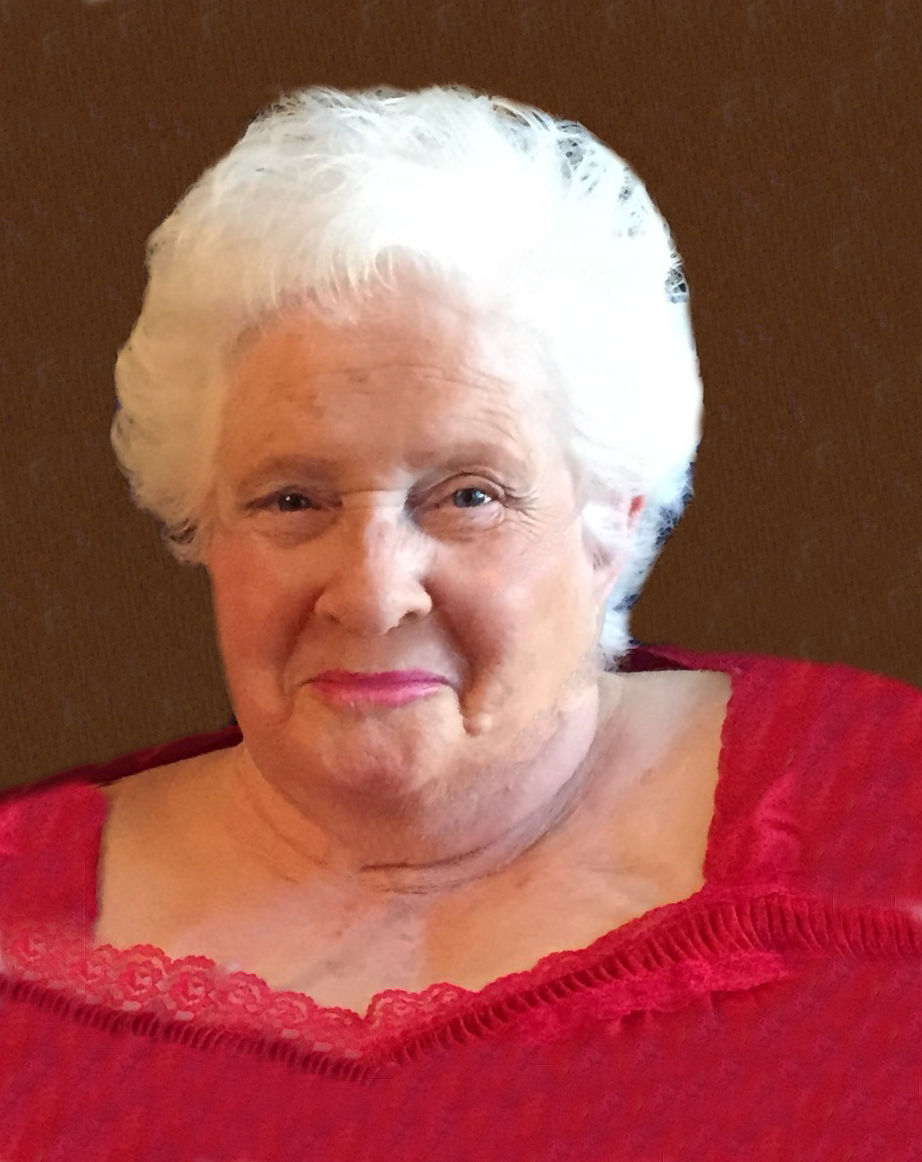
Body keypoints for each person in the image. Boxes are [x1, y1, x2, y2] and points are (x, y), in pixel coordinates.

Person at [0, 83, 920, 1162]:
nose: (373, 590)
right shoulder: (23, 946)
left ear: (612, 524)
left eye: (467, 495)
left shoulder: (880, 849)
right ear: (205, 526)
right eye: (292, 500)